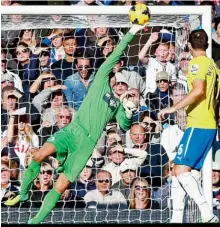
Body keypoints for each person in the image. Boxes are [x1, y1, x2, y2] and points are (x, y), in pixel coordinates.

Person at [4, 24, 146, 224]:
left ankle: (35, 221)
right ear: (113, 78)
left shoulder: (118, 105)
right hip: (72, 131)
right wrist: (132, 32)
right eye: (119, 82)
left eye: (124, 86)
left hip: (86, 145)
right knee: (38, 155)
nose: (120, 86)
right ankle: (24, 193)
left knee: (61, 186)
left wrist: (130, 110)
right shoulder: (101, 80)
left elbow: (124, 125)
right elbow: (118, 51)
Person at [158, 29, 220, 223]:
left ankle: (206, 213)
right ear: (206, 45)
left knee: (179, 170)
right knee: (183, 174)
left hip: (197, 124)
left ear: (189, 46)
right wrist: (212, 117)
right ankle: (176, 219)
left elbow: (198, 91)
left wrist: (173, 108)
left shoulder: (196, 64)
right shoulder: (215, 69)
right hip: (209, 126)